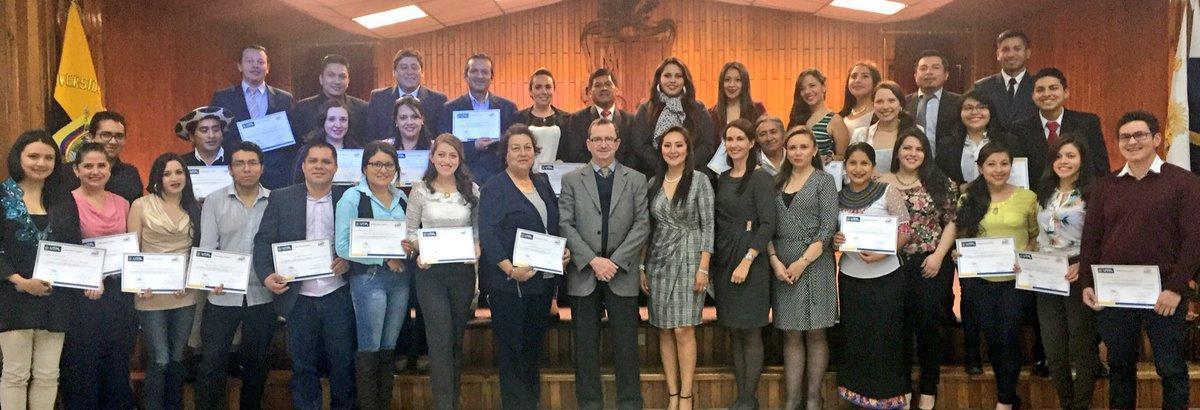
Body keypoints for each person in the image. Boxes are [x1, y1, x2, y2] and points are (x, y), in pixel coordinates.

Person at [1080, 112, 1200, 409]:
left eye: (1140, 135)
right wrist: (1086, 282)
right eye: (1125, 137)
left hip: (1164, 292)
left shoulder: (1184, 182)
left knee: (1170, 368)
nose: (1132, 141)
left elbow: (1194, 239)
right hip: (1115, 294)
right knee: (1119, 367)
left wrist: (1176, 288)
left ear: (1156, 139)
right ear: (1118, 143)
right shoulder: (1105, 186)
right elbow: (1091, 240)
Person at [254, 141, 355, 409]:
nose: (319, 166)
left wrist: (349, 260)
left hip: (338, 293)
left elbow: (360, 241)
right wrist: (266, 277)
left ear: (336, 167)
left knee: (343, 363)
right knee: (303, 365)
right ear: (303, 166)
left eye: (326, 161)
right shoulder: (282, 197)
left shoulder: (349, 197)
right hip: (299, 297)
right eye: (313, 161)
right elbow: (263, 242)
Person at [559, 118, 650, 410]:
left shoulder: (635, 179)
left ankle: (630, 403)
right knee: (585, 348)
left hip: (621, 274)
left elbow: (642, 225)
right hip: (584, 273)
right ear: (588, 143)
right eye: (597, 139)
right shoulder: (571, 179)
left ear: (618, 143)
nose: (603, 144)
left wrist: (616, 261)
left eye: (608, 139)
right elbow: (565, 224)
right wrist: (593, 261)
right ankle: (589, 404)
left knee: (626, 348)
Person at [479, 124, 567, 410]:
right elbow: (489, 235)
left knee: (532, 353)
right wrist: (509, 269)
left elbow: (551, 226)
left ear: (535, 152)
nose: (522, 153)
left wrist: (560, 253)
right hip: (509, 285)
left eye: (527, 147)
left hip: (540, 286)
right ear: (505, 154)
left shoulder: (541, 183)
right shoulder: (494, 187)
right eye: (515, 148)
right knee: (513, 355)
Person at [937, 90, 1019, 375]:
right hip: (968, 212)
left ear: (991, 110)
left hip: (1004, 215)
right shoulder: (948, 144)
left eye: (982, 106)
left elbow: (1015, 175)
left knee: (1002, 301)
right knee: (971, 294)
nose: (975, 112)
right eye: (968, 107)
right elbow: (944, 181)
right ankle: (971, 350)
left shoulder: (1005, 141)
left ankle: (1002, 356)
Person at [877, 128, 958, 410]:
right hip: (891, 266)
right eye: (907, 147)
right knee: (897, 328)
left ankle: (927, 387)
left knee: (927, 328)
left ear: (926, 154)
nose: (913, 153)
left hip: (930, 264)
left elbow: (951, 221)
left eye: (919, 149)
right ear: (897, 151)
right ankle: (900, 387)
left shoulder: (939, 181)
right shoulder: (881, 181)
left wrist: (938, 256)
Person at [954, 142, 1038, 410]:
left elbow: (1035, 236)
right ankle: (1009, 397)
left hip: (1014, 281)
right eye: (991, 164)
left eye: (1004, 164)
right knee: (992, 337)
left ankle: (1004, 399)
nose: (998, 169)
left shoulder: (1028, 197)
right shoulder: (968, 198)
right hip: (980, 281)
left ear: (1011, 166)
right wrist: (959, 253)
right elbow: (961, 234)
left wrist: (1025, 256)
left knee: (1009, 336)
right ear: (980, 168)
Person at [54, 142, 136, 410]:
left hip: (118, 294)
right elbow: (66, 248)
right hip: (83, 296)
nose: (95, 171)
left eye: (101, 165)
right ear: (76, 170)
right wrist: (89, 278)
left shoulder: (124, 204)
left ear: (109, 169)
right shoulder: (66, 203)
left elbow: (133, 249)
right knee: (83, 363)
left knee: (117, 360)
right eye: (87, 166)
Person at [830, 142, 911, 409]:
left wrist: (885, 252)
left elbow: (905, 230)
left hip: (887, 277)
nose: (858, 168)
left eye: (864, 163)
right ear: (845, 167)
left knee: (886, 336)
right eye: (852, 163)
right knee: (856, 336)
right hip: (852, 278)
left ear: (873, 167)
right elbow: (832, 235)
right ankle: (858, 396)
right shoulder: (837, 197)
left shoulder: (888, 191)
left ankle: (890, 397)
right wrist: (837, 239)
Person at [333, 141, 412, 409]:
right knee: (370, 348)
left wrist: (409, 249)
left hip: (400, 281)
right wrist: (384, 259)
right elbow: (343, 246)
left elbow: (409, 237)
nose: (383, 169)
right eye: (376, 164)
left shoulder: (401, 197)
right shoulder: (352, 198)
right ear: (365, 167)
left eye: (389, 164)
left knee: (389, 347)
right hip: (369, 280)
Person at [406, 134, 480, 410]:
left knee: (454, 339)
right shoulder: (420, 189)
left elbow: (475, 232)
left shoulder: (471, 189)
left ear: (459, 159)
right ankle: (443, 405)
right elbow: (410, 232)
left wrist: (476, 247)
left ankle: (452, 400)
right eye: (441, 155)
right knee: (439, 338)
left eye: (452, 155)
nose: (446, 160)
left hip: (461, 274)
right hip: (431, 274)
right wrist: (420, 250)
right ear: (432, 157)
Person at [641, 125, 713, 410]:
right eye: (667, 145)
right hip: (658, 261)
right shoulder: (653, 183)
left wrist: (703, 267)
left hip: (689, 260)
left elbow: (708, 227)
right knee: (664, 328)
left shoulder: (699, 181)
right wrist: (642, 267)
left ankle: (686, 395)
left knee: (684, 329)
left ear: (688, 149)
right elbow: (648, 228)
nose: (672, 150)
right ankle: (672, 393)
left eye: (678, 145)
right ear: (661, 150)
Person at [768, 126, 838, 410]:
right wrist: (774, 260)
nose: (798, 152)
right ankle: (792, 398)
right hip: (782, 265)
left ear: (814, 150)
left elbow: (827, 228)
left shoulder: (824, 180)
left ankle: (812, 399)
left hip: (815, 262)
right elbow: (766, 226)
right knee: (791, 332)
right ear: (786, 150)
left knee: (816, 332)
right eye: (792, 147)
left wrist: (801, 262)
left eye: (803, 147)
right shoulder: (775, 182)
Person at [0, 131, 69, 410]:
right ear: (19, 158)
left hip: (55, 297)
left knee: (48, 374)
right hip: (12, 295)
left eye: (49, 157)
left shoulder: (62, 198)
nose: (41, 163)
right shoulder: (2, 195)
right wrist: (20, 281)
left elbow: (73, 244)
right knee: (15, 374)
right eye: (33, 156)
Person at [128, 153, 202, 410]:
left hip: (185, 293)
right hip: (150, 294)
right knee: (160, 359)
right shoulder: (141, 205)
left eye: (179, 172)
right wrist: (138, 284)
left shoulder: (194, 207)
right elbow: (132, 251)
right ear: (157, 177)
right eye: (167, 173)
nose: (174, 178)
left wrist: (191, 282)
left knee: (178, 358)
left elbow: (199, 251)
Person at [711, 119, 775, 410]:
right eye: (729, 139)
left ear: (752, 143)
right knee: (734, 330)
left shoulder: (760, 177)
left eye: (740, 139)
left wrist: (748, 260)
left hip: (751, 259)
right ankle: (741, 396)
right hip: (725, 258)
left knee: (750, 330)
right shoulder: (721, 178)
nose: (734, 144)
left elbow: (768, 224)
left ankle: (750, 399)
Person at [1033, 133, 1100, 410]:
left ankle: (1081, 405)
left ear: (1082, 159)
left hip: (1077, 272)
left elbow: (1101, 237)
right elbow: (1039, 236)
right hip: (1046, 273)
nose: (1064, 161)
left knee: (1081, 345)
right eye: (1059, 156)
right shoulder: (1045, 191)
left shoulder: (1093, 193)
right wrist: (1027, 262)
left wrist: (1083, 264)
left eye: (1070, 155)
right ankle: (1067, 403)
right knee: (1053, 346)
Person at [210, 44, 297, 189]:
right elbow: (219, 135)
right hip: (238, 172)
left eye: (260, 62)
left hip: (275, 175)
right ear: (240, 66)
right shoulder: (223, 98)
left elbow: (291, 139)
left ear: (268, 67)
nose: (255, 66)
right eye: (250, 61)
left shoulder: (284, 99)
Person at [1010, 68, 1109, 184]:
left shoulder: (1087, 123)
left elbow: (1100, 168)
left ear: (1066, 92)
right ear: (1033, 96)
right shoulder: (1019, 129)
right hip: (1035, 198)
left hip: (1080, 196)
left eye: (1053, 88)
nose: (1046, 94)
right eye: (1040, 90)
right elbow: (1018, 173)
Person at [438, 52, 519, 185]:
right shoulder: (449, 109)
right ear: (466, 75)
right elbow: (444, 146)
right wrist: (473, 146)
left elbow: (513, 143)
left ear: (491, 76)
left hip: (499, 180)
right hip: (461, 179)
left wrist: (497, 141)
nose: (480, 76)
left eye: (485, 72)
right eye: (474, 71)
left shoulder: (508, 108)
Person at [632, 57, 716, 176]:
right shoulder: (645, 109)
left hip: (692, 174)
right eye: (667, 76)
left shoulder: (698, 109)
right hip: (655, 176)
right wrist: (664, 166)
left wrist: (685, 165)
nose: (672, 80)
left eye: (678, 76)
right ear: (659, 79)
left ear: (685, 80)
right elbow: (639, 145)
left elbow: (708, 145)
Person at [59, 111, 144, 203]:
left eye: (119, 136)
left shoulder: (130, 175)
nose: (113, 142)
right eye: (106, 135)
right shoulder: (66, 173)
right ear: (91, 137)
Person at [367, 49, 448, 142]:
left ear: (422, 72)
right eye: (404, 67)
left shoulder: (438, 100)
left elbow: (443, 140)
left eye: (414, 67)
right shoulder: (378, 98)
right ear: (394, 72)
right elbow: (370, 137)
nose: (409, 72)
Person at [560, 68, 637, 167]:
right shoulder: (576, 120)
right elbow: (575, 154)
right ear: (590, 92)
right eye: (597, 85)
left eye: (608, 84)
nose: (603, 88)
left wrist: (614, 172)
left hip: (624, 178)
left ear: (616, 89)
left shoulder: (631, 121)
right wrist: (599, 170)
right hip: (588, 177)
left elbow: (634, 155)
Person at [903, 49, 963, 173]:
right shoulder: (903, 103)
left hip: (948, 172)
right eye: (923, 68)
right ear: (915, 76)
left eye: (935, 67)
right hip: (910, 171)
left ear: (946, 75)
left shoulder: (960, 103)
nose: (929, 72)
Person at [971, 30, 1036, 131]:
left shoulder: (1038, 86)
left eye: (1017, 49)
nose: (1011, 55)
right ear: (998, 54)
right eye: (1005, 50)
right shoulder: (982, 87)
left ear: (1027, 53)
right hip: (992, 146)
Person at [293, 54, 368, 139]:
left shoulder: (362, 109)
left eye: (342, 76)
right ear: (321, 79)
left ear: (348, 80)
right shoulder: (303, 109)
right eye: (331, 75)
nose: (337, 81)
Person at [786, 68, 850, 162]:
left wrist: (828, 159)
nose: (807, 91)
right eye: (802, 88)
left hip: (822, 174)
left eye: (812, 86)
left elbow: (844, 157)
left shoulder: (835, 120)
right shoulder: (797, 117)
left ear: (824, 87)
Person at [850, 81, 913, 174]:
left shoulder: (915, 132)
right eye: (879, 101)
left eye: (891, 101)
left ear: (901, 105)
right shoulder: (860, 134)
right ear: (873, 106)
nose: (885, 106)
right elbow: (849, 169)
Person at [516, 68, 570, 163]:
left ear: (554, 90)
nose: (544, 92)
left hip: (558, 176)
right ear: (530, 91)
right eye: (538, 87)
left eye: (548, 87)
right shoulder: (517, 119)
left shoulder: (568, 120)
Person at [708, 61, 766, 146]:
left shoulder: (757, 109)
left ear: (745, 84)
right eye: (727, 80)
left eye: (738, 80)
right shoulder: (711, 114)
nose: (732, 85)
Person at [839, 61, 883, 133]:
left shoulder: (880, 113)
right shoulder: (841, 115)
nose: (857, 80)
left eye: (865, 76)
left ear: (875, 82)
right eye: (853, 76)